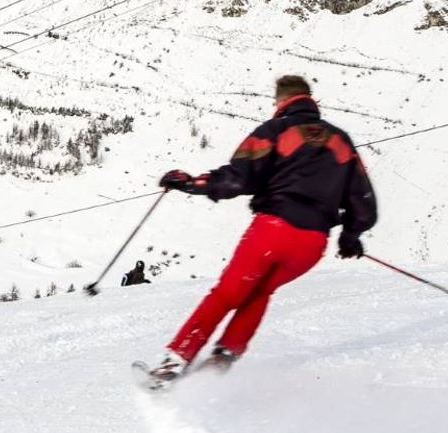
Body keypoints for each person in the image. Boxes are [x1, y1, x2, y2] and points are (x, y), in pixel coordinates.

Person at [146, 74, 376, 384]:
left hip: (273, 229)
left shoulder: (275, 131)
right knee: (261, 291)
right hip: (311, 244)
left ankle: (174, 363)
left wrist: (190, 183)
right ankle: (223, 358)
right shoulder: (340, 140)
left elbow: (237, 179)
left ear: (280, 103)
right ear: (311, 101)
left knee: (227, 293)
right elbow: (362, 199)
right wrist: (350, 236)